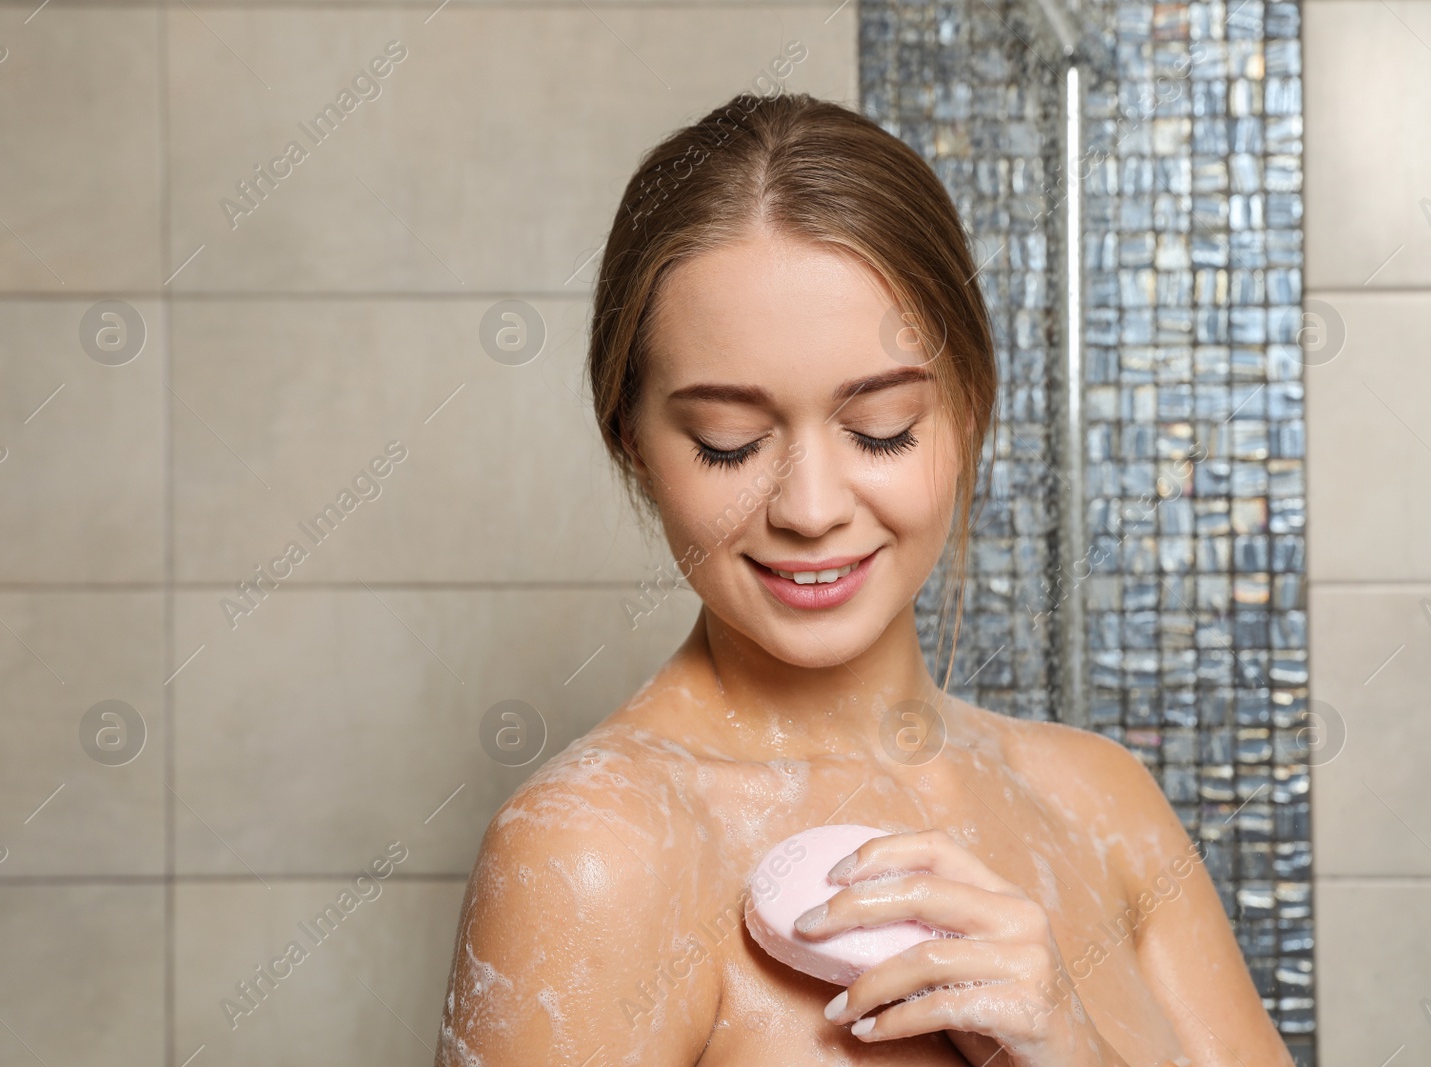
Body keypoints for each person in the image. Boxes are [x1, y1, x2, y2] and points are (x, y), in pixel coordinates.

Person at [436, 90, 1296, 1067]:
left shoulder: (1104, 804)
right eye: (728, 442)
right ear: (632, 441)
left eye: (880, 426)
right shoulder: (592, 856)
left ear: (970, 409)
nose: (808, 506)